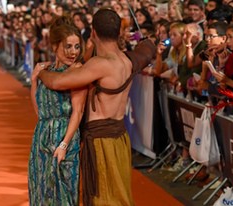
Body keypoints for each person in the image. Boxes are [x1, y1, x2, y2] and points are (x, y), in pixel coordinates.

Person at [38, 9, 155, 205]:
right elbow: (147, 52)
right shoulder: (128, 60)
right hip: (120, 138)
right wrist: (149, 42)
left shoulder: (100, 65)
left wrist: (41, 72)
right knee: (120, 195)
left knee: (104, 198)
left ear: (93, 32)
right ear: (119, 33)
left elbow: (58, 82)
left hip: (101, 142)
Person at [28, 16, 87, 205]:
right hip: (42, 136)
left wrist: (64, 145)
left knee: (63, 194)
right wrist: (34, 81)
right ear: (54, 46)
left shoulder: (77, 72)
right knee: (41, 191)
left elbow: (78, 112)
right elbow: (39, 110)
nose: (73, 52)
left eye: (77, 47)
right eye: (68, 46)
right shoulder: (48, 69)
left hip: (65, 137)